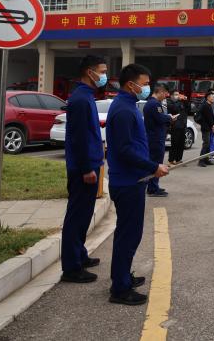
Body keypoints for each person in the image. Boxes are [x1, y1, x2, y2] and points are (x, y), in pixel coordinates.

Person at [106, 64, 169, 305]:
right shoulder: (123, 110)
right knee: (128, 235)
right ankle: (120, 289)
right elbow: (124, 150)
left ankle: (122, 277)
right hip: (127, 181)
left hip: (133, 179)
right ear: (130, 84)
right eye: (144, 84)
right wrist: (153, 167)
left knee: (130, 234)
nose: (147, 88)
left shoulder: (129, 105)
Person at [60, 55, 107, 284]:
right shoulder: (80, 99)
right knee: (77, 216)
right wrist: (87, 167)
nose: (104, 76)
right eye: (102, 71)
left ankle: (80, 254)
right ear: (90, 72)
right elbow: (79, 137)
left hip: (89, 164)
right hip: (82, 169)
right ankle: (71, 267)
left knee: (84, 215)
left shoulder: (86, 96)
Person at [143, 83, 174, 197]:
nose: (166, 96)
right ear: (160, 92)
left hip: (154, 137)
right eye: (165, 94)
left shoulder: (151, 103)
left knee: (155, 162)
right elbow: (160, 119)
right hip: (155, 138)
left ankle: (153, 186)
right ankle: (152, 189)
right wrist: (169, 117)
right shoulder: (155, 104)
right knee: (156, 163)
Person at [166, 89, 189, 165]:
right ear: (171, 96)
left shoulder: (181, 102)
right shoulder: (169, 102)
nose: (178, 96)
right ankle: (171, 160)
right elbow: (174, 109)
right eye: (176, 94)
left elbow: (187, 109)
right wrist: (179, 101)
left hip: (182, 126)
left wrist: (185, 101)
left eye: (178, 94)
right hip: (175, 127)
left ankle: (178, 159)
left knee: (181, 144)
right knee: (174, 144)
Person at [196, 91, 214, 166]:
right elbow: (208, 118)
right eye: (212, 97)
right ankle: (201, 160)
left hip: (209, 127)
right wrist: (212, 125)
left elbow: (211, 117)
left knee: (208, 143)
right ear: (207, 98)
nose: (213, 98)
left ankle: (206, 159)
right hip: (206, 128)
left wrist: (212, 125)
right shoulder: (205, 106)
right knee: (206, 143)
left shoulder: (209, 105)